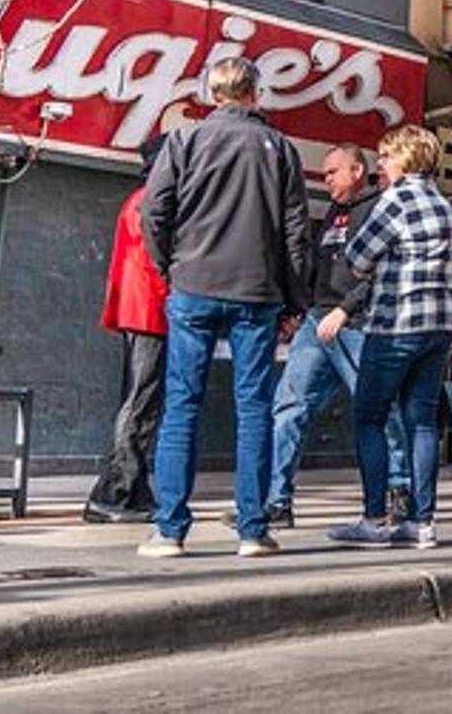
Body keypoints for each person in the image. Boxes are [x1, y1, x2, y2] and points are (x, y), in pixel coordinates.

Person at [139, 58, 311, 560]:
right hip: (257, 292)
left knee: (181, 405)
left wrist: (170, 267)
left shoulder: (184, 140)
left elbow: (154, 211)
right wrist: (295, 299)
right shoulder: (279, 148)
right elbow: (296, 232)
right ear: (256, 93)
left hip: (192, 285)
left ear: (212, 93)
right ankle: (252, 530)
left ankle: (170, 530)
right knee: (254, 407)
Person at [323, 125, 452, 550]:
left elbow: (356, 258)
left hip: (396, 323)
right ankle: (422, 522)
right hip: (440, 327)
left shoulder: (396, 200)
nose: (380, 164)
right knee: (422, 422)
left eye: (385, 156)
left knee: (370, 417)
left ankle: (374, 519)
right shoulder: (445, 206)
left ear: (405, 157)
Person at [266, 143, 411, 528]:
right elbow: (317, 266)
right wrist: (299, 309)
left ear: (357, 171)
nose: (326, 178)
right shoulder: (333, 213)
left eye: (333, 171)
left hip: (359, 324)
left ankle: (400, 489)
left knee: (380, 409)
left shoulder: (380, 207)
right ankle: (276, 501)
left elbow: (384, 270)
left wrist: (346, 308)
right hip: (317, 322)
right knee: (289, 405)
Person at [85, 137, 168, 524]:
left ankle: (132, 489)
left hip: (140, 310)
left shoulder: (140, 199)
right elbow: (156, 261)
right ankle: (116, 491)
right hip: (150, 310)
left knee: (140, 400)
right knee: (140, 401)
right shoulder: (152, 201)